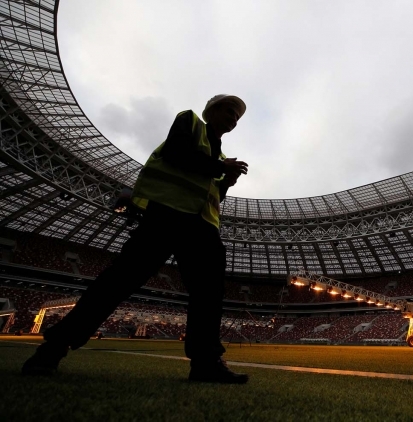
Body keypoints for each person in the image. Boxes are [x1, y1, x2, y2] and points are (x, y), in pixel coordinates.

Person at [22, 94, 250, 384]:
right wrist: (220, 169)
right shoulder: (190, 122)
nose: (233, 120)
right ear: (212, 110)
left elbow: (211, 194)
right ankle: (53, 348)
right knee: (119, 281)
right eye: (230, 112)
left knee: (208, 294)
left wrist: (225, 183)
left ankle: (206, 363)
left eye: (237, 118)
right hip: (165, 217)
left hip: (201, 226)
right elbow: (176, 155)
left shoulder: (218, 156)